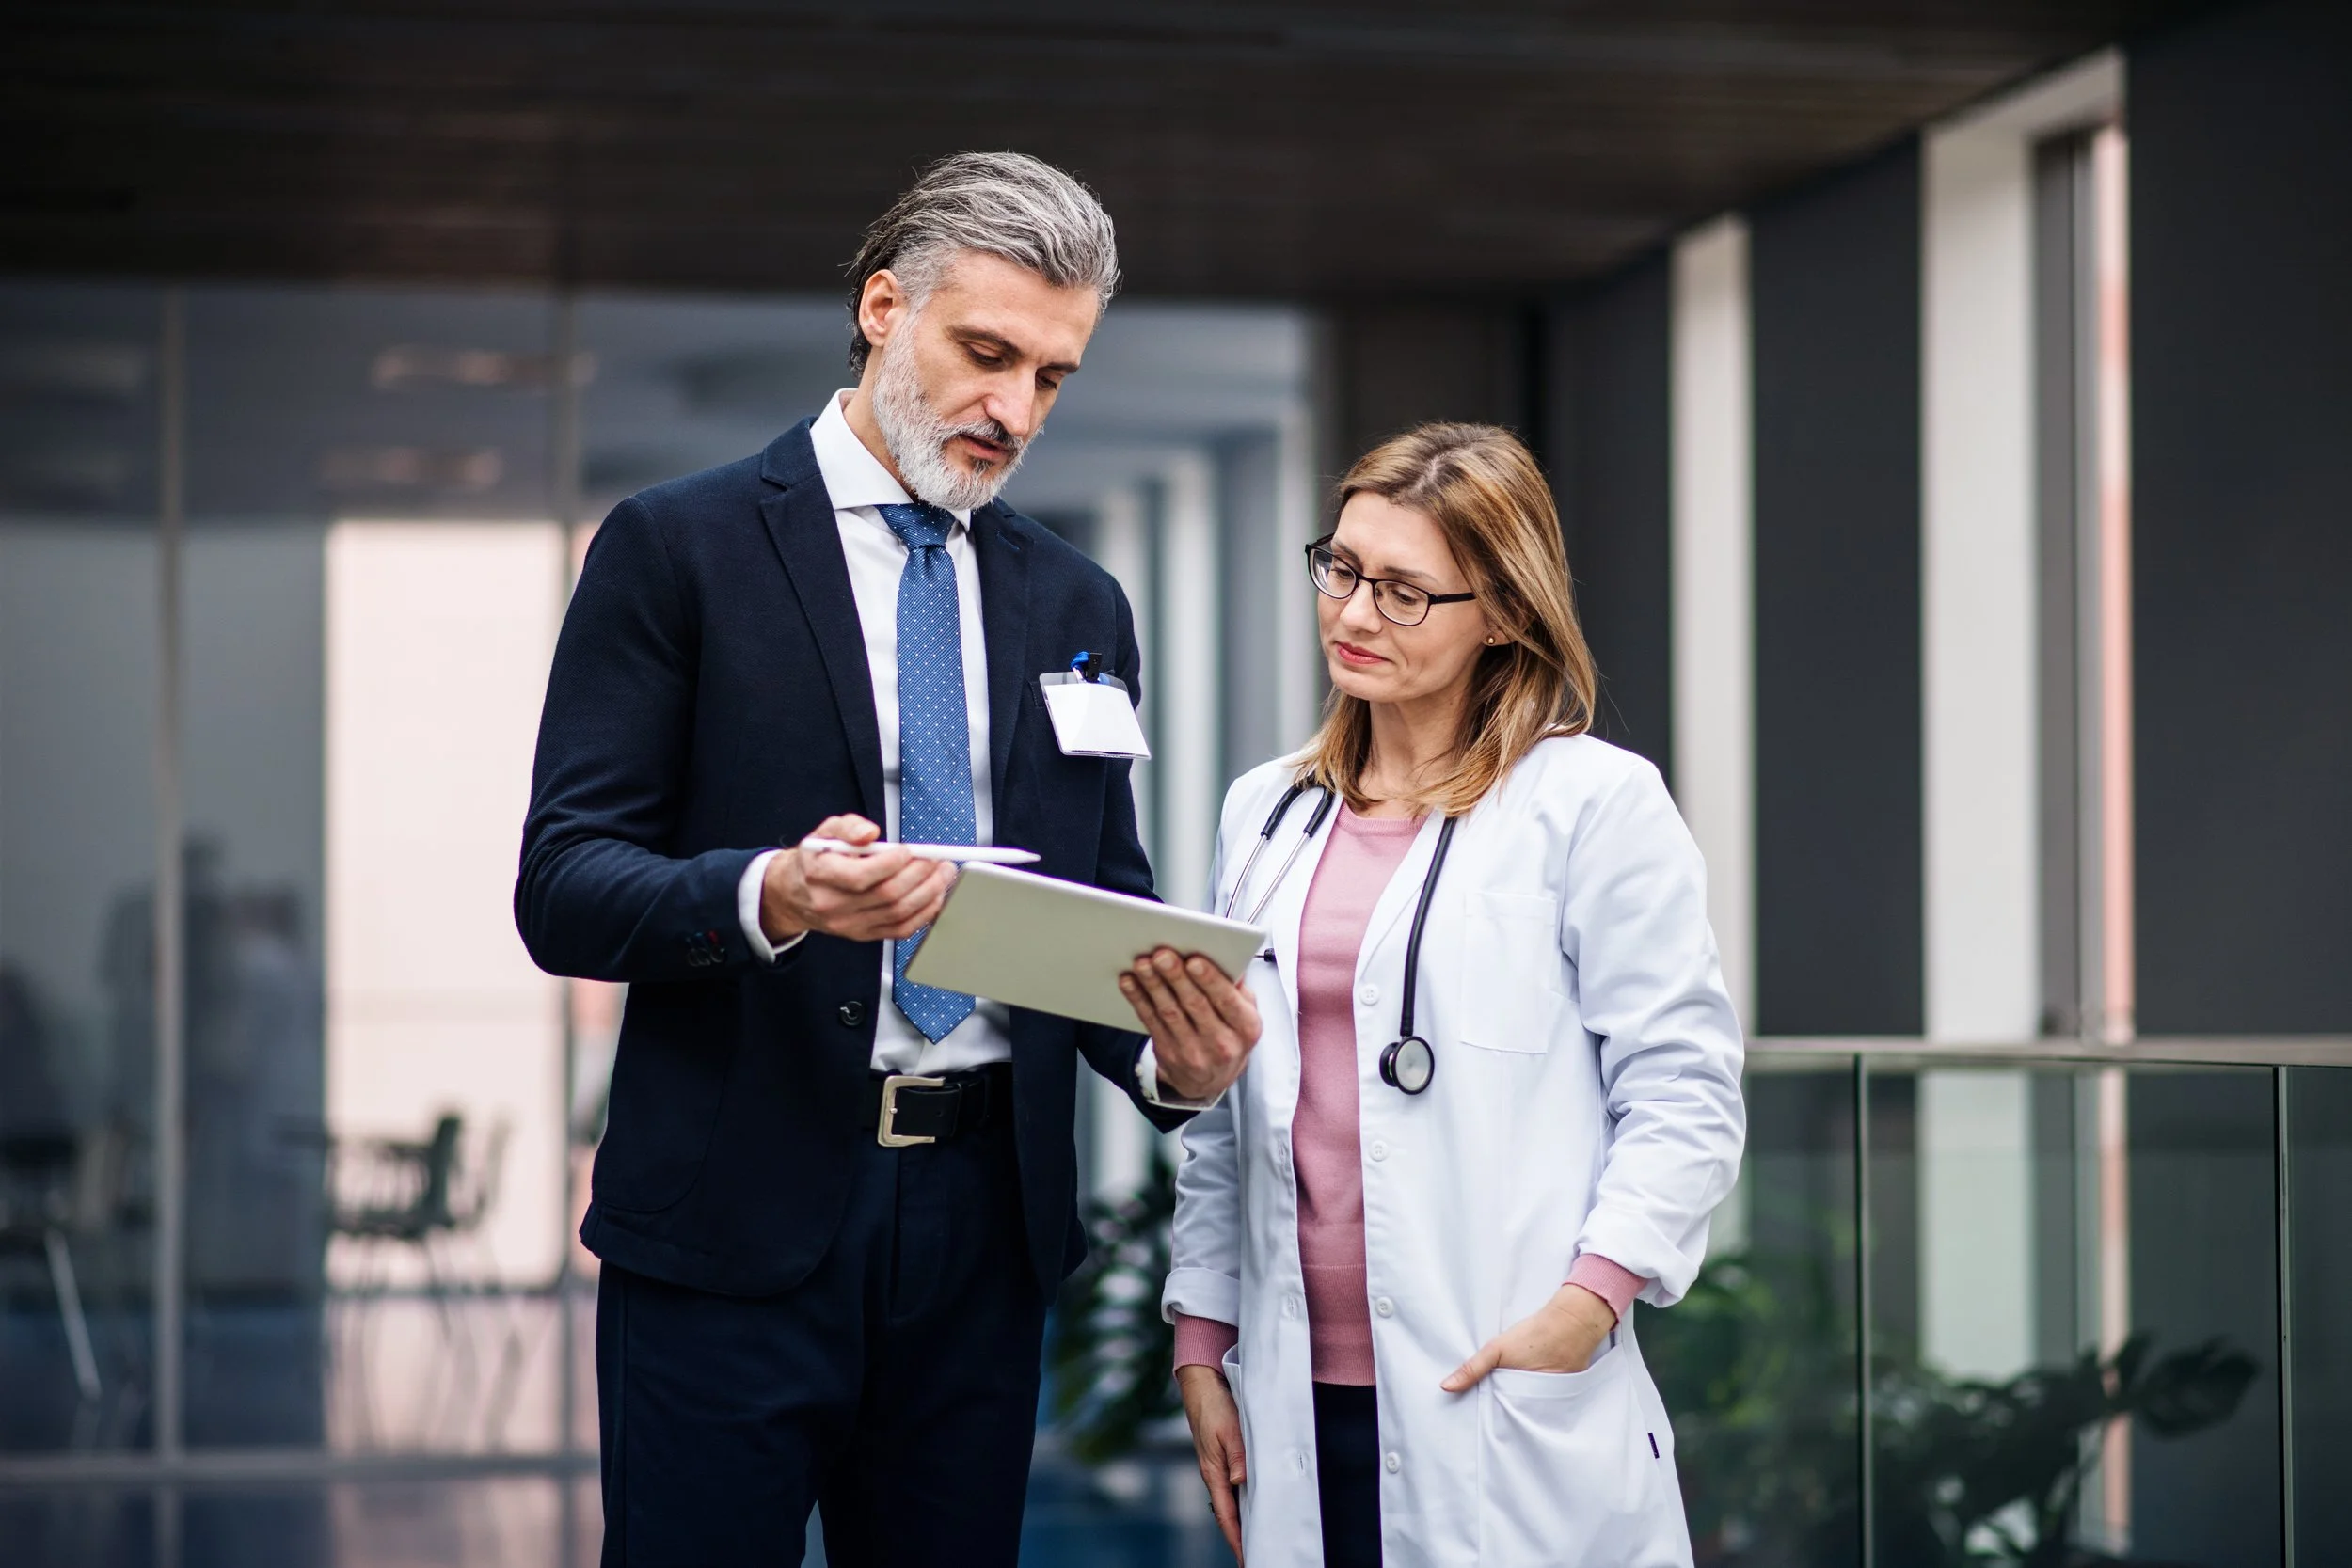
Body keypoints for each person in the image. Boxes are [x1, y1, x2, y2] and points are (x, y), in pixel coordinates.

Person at [516, 151, 1260, 1568]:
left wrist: (1175, 1055)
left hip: (984, 1237)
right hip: (736, 1226)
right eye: (987, 354)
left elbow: (1102, 905)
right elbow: (563, 880)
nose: (1014, 410)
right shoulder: (677, 549)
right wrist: (774, 893)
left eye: (1053, 376)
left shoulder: (1076, 599)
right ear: (880, 307)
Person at [1149, 424, 1746, 1568]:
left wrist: (1590, 1303)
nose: (1355, 614)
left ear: (1506, 613)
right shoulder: (1265, 810)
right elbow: (1237, 1116)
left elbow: (1682, 1090)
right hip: (1291, 1385)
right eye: (1342, 568)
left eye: (1406, 591)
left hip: (1497, 1377)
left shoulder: (1593, 804)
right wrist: (1200, 1337)